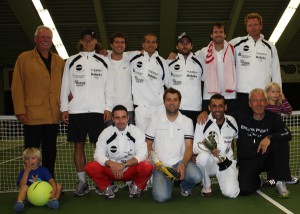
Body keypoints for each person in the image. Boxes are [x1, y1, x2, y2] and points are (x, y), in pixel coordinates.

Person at [60, 29, 114, 196]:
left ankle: (101, 182)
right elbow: (65, 86)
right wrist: (64, 108)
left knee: (99, 147)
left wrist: (108, 107)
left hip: (98, 111)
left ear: (96, 42)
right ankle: (82, 182)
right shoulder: (70, 61)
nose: (89, 42)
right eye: (86, 40)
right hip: (77, 111)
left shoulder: (104, 61)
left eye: (92, 40)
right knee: (78, 146)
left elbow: (109, 87)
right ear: (81, 42)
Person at [11, 25, 65, 178]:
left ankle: (49, 182)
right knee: (31, 153)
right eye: (43, 37)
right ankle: (29, 182)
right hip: (32, 115)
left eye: (48, 38)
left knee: (50, 153)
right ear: (35, 39)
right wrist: (19, 110)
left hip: (53, 115)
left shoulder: (59, 61)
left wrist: (64, 109)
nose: (46, 40)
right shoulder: (24, 58)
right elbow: (16, 86)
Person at [145, 88, 202, 202]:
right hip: (161, 166)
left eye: (175, 100)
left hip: (179, 162)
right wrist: (155, 161)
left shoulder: (187, 121)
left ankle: (184, 187)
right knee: (161, 197)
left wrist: (184, 163)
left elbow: (189, 146)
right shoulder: (155, 120)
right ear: (164, 102)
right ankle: (167, 182)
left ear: (179, 102)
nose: (172, 103)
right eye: (169, 100)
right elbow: (149, 143)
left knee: (197, 176)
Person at [85, 105, 152, 198]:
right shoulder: (106, 133)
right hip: (111, 170)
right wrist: (112, 164)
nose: (120, 121)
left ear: (128, 118)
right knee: (90, 167)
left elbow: (142, 154)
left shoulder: (136, 132)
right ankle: (108, 186)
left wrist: (123, 165)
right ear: (112, 119)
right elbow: (98, 154)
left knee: (147, 166)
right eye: (117, 118)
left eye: (123, 117)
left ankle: (136, 186)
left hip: (129, 169)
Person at [234, 88, 292, 197]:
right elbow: (220, 116)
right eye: (255, 101)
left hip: (268, 158)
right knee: (243, 190)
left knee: (281, 142)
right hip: (248, 160)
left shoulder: (274, 117)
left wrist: (269, 137)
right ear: (250, 104)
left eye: (261, 100)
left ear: (266, 102)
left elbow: (287, 134)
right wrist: (204, 113)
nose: (259, 104)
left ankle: (280, 182)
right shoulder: (240, 116)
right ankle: (259, 180)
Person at [229, 13, 282, 111]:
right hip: (241, 94)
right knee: (241, 124)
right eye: (250, 25)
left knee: (261, 124)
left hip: (262, 94)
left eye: (256, 24)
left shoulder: (270, 47)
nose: (253, 28)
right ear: (246, 28)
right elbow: (219, 50)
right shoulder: (236, 43)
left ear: (261, 26)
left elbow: (276, 71)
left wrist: (279, 92)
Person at [193, 94, 239, 198]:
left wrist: (233, 160)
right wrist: (210, 149)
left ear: (225, 107)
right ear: (209, 107)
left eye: (220, 106)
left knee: (232, 193)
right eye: (214, 106)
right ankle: (206, 185)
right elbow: (195, 148)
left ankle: (229, 175)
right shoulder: (202, 121)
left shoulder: (232, 121)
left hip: (226, 162)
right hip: (210, 163)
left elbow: (234, 140)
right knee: (202, 158)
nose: (217, 109)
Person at [130, 33, 170, 132]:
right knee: (142, 139)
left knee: (159, 138)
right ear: (143, 44)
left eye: (153, 42)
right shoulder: (133, 59)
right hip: (141, 107)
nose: (150, 44)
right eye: (148, 42)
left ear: (157, 45)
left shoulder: (162, 61)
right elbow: (117, 54)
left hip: (159, 107)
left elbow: (168, 84)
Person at [196, 23, 236, 114]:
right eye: (215, 32)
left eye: (221, 32)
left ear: (225, 35)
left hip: (229, 94)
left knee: (230, 122)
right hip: (209, 94)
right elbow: (190, 58)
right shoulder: (203, 51)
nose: (218, 34)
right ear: (211, 35)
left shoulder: (233, 50)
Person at [264, 82, 298, 186]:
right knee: (270, 155)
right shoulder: (265, 105)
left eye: (278, 92)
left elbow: (289, 111)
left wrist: (283, 98)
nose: (276, 94)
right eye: (273, 91)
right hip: (268, 133)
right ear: (267, 93)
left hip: (278, 133)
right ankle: (272, 178)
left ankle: (284, 177)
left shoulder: (279, 105)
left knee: (283, 150)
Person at [168, 32, 204, 127]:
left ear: (191, 46)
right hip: (175, 108)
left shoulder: (200, 62)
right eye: (182, 42)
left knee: (192, 140)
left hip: (195, 109)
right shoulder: (169, 63)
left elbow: (206, 84)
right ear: (177, 46)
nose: (185, 45)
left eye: (187, 42)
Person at [14, 147, 62, 212]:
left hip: (45, 195)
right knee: (24, 187)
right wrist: (26, 172)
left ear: (39, 160)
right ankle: (19, 203)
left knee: (58, 186)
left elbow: (51, 180)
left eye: (33, 158)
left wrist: (54, 190)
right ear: (24, 161)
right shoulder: (23, 171)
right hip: (30, 197)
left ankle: (52, 201)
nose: (30, 160)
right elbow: (22, 185)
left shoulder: (43, 170)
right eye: (27, 159)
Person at [107, 33, 135, 125]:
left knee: (128, 138)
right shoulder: (104, 61)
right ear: (111, 45)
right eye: (117, 42)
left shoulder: (130, 60)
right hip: (109, 108)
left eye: (122, 42)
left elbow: (146, 51)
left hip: (128, 107)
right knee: (109, 138)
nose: (120, 45)